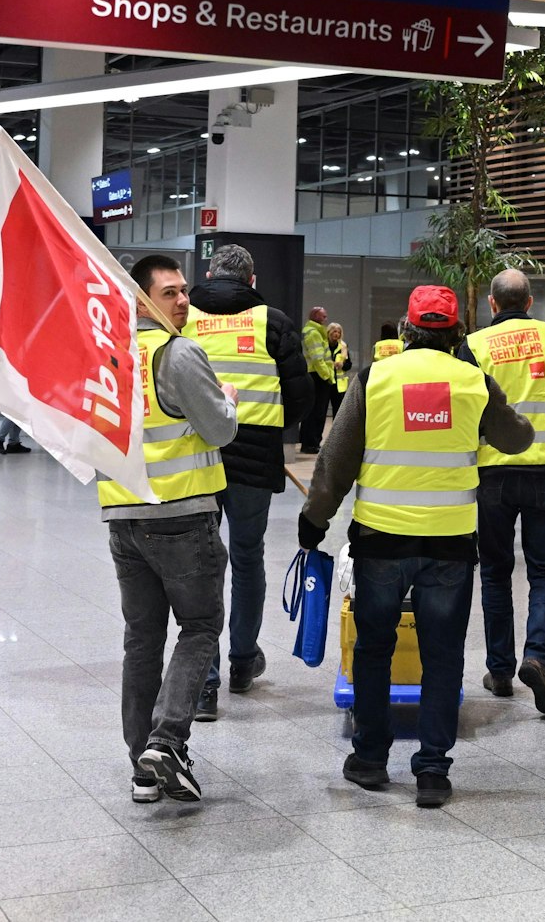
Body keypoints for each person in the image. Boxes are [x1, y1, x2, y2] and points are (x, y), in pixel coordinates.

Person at [300, 285, 534, 808]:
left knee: (375, 649)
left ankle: (369, 759)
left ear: (406, 329)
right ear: (455, 332)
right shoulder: (474, 382)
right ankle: (431, 769)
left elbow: (334, 462)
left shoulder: (374, 378)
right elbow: (518, 439)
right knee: (443, 654)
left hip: (381, 541)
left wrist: (313, 520)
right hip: (449, 544)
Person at [100, 254, 238, 805]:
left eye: (184, 291)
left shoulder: (108, 356)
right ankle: (164, 741)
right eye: (170, 293)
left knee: (142, 639)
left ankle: (142, 767)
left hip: (124, 518)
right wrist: (227, 402)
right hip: (180, 516)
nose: (183, 301)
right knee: (201, 626)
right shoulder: (178, 353)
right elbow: (218, 430)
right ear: (141, 299)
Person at [183, 244, 313, 719]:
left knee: (202, 563)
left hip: (195, 453)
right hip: (255, 454)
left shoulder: (185, 317)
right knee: (246, 556)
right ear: (252, 279)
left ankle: (205, 681)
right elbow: (301, 393)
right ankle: (242, 662)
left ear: (208, 273)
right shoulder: (273, 322)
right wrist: (274, 428)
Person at [461, 269, 545, 715]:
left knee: (495, 572)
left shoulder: (475, 345)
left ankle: (500, 670)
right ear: (530, 303)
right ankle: (538, 658)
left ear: (492, 305)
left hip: (493, 475)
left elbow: (465, 412)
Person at [299, 306, 336, 454]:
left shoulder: (314, 331)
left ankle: (309, 442)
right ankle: (312, 444)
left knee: (312, 412)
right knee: (318, 412)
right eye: (323, 317)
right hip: (318, 376)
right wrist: (327, 375)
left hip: (315, 374)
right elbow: (317, 358)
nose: (326, 319)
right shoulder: (314, 333)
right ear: (316, 317)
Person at [328, 322, 351, 412]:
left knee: (338, 411)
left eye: (339, 332)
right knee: (320, 410)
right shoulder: (324, 346)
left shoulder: (343, 347)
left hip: (339, 385)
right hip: (326, 381)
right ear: (329, 332)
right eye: (334, 332)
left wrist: (342, 365)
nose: (337, 334)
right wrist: (332, 364)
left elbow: (349, 364)